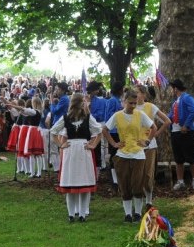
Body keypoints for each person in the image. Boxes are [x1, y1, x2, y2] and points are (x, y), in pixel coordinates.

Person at [104, 89, 156, 223]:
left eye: (135, 103)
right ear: (124, 101)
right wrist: (114, 143)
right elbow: (105, 129)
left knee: (137, 183)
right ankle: (127, 214)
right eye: (130, 103)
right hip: (122, 154)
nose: (133, 106)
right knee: (124, 183)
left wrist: (147, 141)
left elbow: (153, 127)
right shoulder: (117, 116)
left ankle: (138, 213)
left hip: (138, 154)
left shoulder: (140, 114)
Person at [51, 93, 103, 222]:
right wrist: (61, 145)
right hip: (72, 151)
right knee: (71, 181)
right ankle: (73, 214)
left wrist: (93, 144)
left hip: (82, 150)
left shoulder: (87, 118)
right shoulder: (66, 118)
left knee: (84, 181)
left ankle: (80, 214)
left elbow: (99, 131)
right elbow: (53, 131)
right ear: (81, 103)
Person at [135, 85, 169, 208]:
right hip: (134, 145)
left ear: (144, 94)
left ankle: (148, 200)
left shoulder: (150, 107)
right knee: (137, 174)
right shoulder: (130, 107)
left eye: (138, 92)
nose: (136, 95)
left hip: (149, 145)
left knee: (148, 174)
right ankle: (138, 200)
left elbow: (167, 121)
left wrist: (156, 134)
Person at [167, 79, 194, 191]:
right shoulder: (174, 102)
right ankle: (180, 181)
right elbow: (171, 116)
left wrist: (186, 125)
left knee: (191, 156)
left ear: (176, 88)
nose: (171, 91)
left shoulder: (187, 98)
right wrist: (164, 118)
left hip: (186, 132)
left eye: (172, 88)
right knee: (178, 158)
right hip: (175, 132)